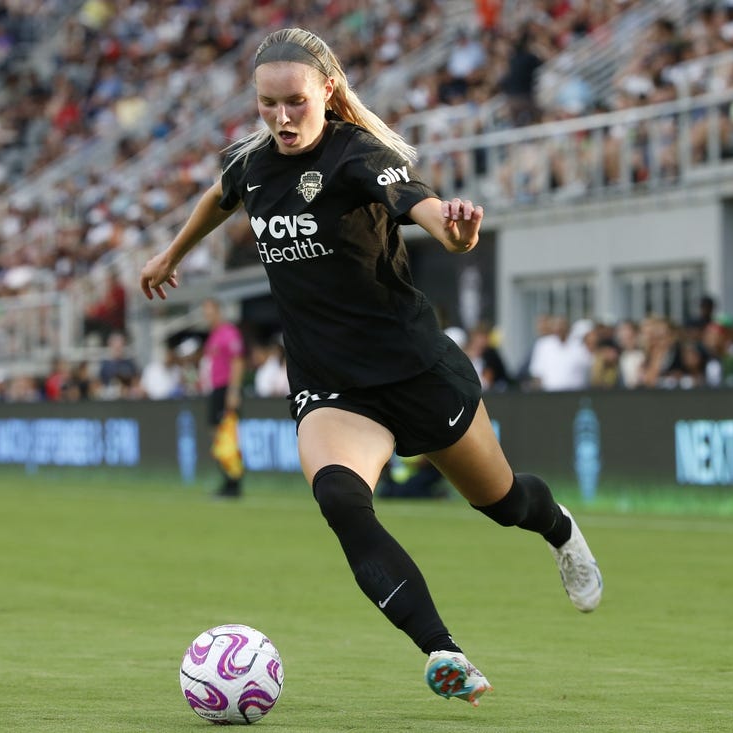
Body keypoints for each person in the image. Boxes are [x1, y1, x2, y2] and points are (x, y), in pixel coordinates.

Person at [139, 27, 602, 708]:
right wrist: (171, 254)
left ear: (326, 90)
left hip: (415, 370)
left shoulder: (358, 155)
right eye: (267, 105)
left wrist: (455, 230)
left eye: (294, 102)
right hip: (333, 387)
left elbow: (420, 207)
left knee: (501, 502)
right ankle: (443, 651)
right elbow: (219, 195)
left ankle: (558, 528)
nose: (281, 118)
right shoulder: (255, 164)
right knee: (340, 501)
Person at [200, 298, 246, 498]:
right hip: (216, 389)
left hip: (225, 389)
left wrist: (234, 390)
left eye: (210, 312)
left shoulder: (228, 333)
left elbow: (238, 361)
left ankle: (233, 482)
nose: (207, 316)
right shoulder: (214, 336)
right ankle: (228, 480)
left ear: (218, 311)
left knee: (227, 436)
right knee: (218, 436)